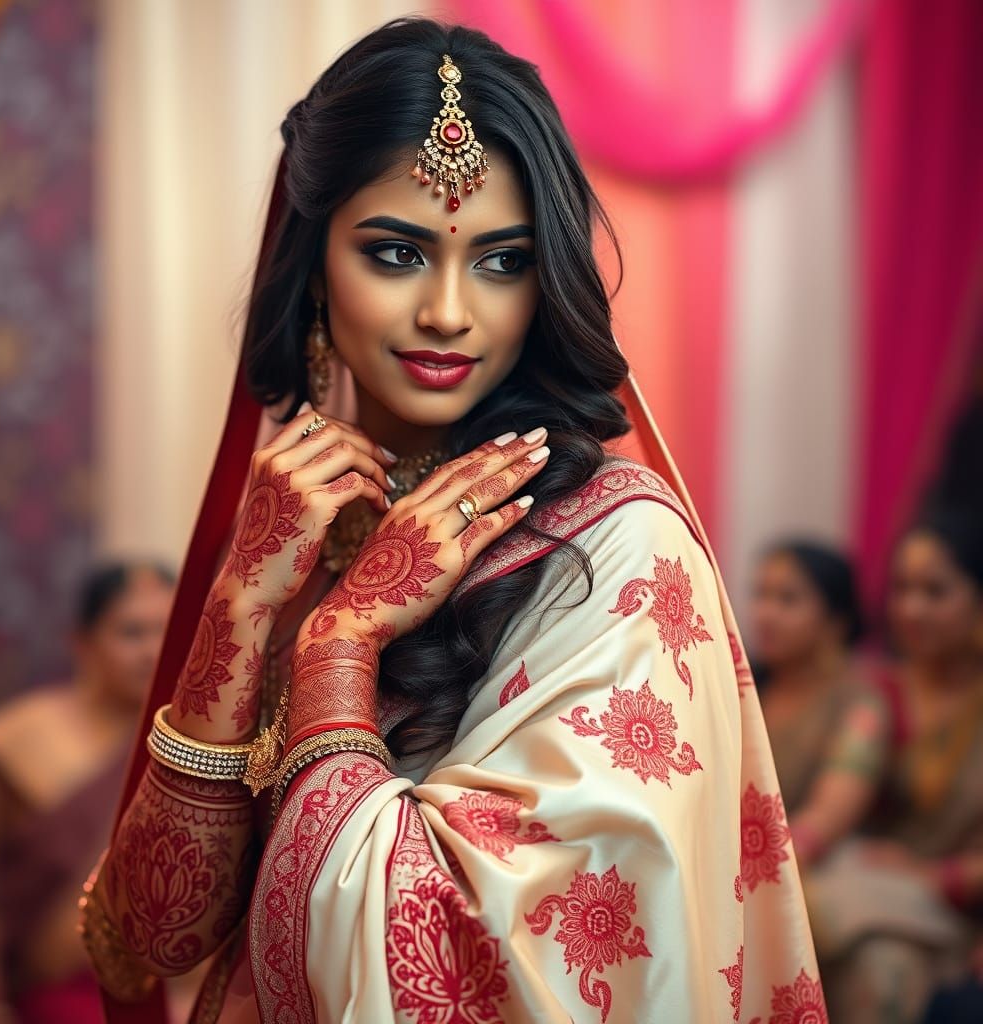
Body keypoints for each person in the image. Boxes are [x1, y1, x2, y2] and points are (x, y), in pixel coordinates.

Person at [82, 19, 820, 1023]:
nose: (447, 312)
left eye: (501, 262)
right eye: (395, 252)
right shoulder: (291, 531)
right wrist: (243, 599)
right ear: (311, 265)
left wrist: (339, 643)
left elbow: (493, 965)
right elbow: (150, 938)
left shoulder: (616, 553)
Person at [0, 563, 174, 1024]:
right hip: (47, 990)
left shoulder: (193, 740)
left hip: (162, 985)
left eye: (165, 629)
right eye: (132, 632)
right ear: (82, 643)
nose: (152, 650)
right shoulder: (17, 737)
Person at [807, 507, 983, 1023]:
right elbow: (838, 798)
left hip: (958, 906)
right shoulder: (881, 696)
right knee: (877, 960)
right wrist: (783, 853)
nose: (911, 609)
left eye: (934, 591)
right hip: (885, 902)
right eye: (902, 589)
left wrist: (934, 876)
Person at [750, 541, 889, 864]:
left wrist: (755, 866)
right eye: (761, 595)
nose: (765, 613)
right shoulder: (744, 686)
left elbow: (825, 821)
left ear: (835, 620)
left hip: (796, 869)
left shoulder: (859, 703)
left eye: (787, 599)